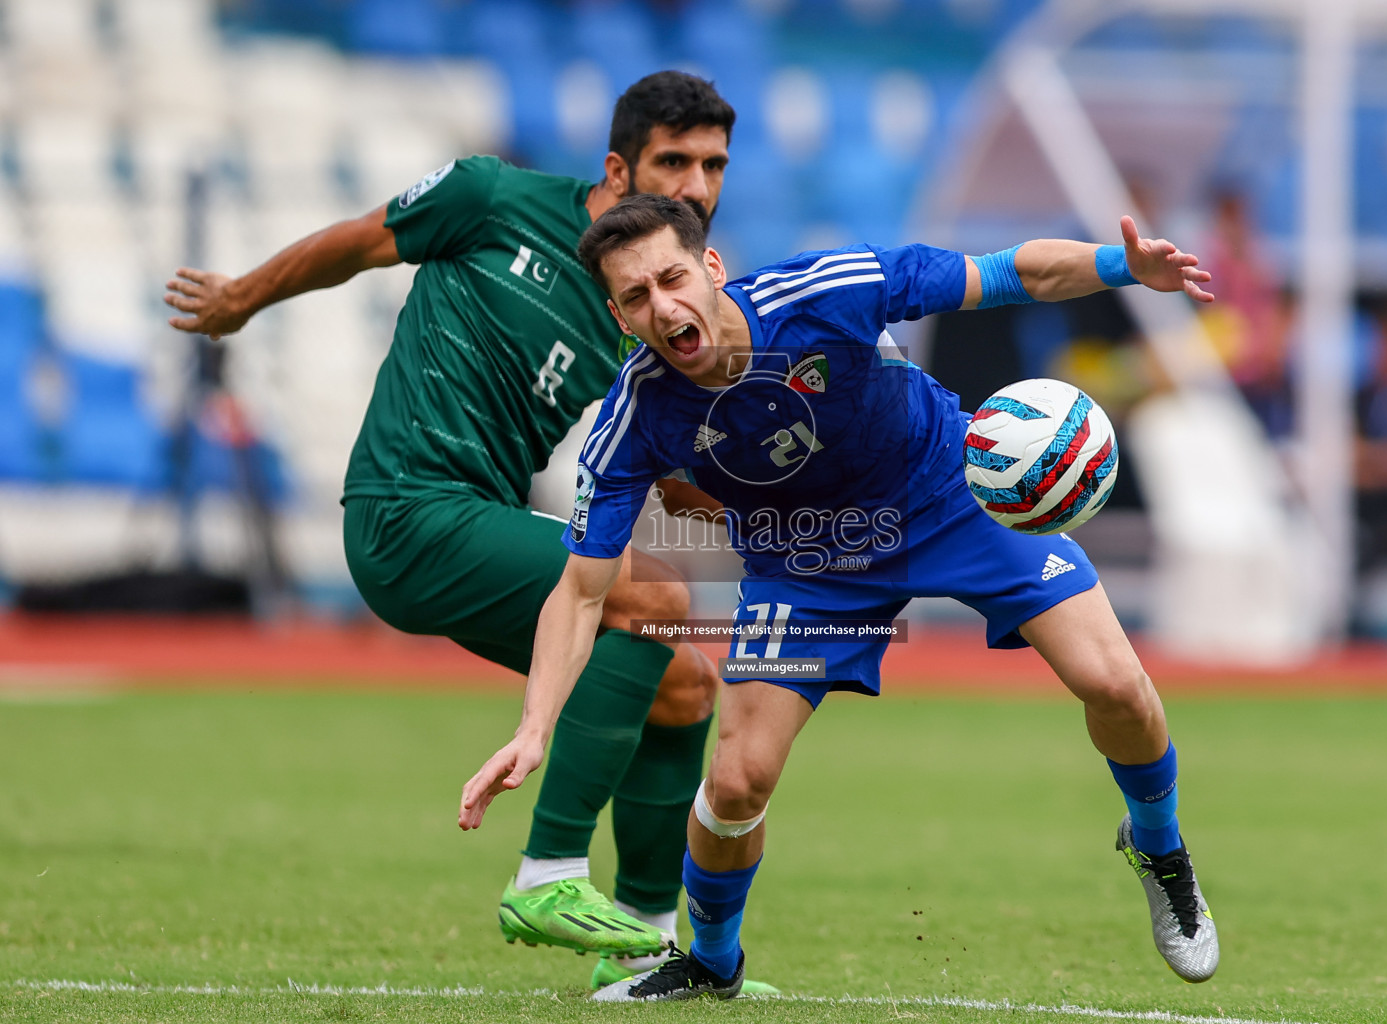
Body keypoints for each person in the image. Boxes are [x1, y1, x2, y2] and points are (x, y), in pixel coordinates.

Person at [458, 194, 1222, 1000]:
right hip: (806, 566)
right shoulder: (635, 417)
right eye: (638, 297)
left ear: (711, 267)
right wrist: (534, 727)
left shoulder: (828, 291)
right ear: (619, 314)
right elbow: (582, 592)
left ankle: (1159, 847)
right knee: (735, 785)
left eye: (674, 277)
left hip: (945, 495)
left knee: (1114, 683)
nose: (665, 306)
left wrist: (1121, 267)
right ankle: (712, 963)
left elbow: (1009, 272)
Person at [163, 72, 773, 993]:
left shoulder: (654, 315)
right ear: (618, 167)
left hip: (477, 515)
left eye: (714, 165)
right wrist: (243, 299)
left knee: (685, 674)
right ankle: (550, 872)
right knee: (652, 595)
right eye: (674, 161)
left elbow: (684, 482)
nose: (696, 185)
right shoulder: (491, 198)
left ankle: (644, 959)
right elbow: (359, 243)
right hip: (405, 507)